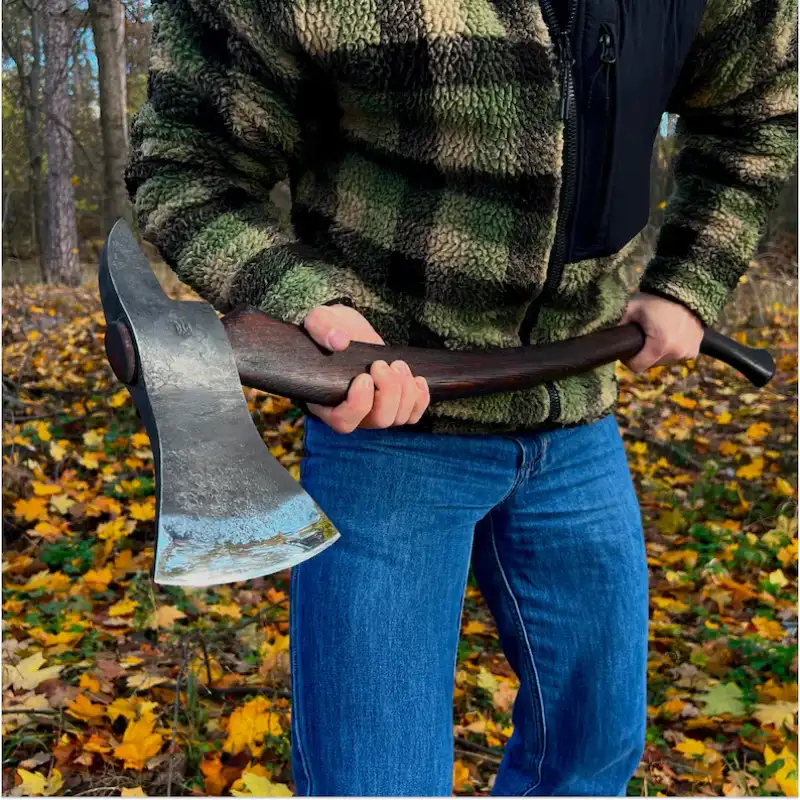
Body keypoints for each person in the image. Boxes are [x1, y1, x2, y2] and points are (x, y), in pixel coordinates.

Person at [126, 0, 797, 793]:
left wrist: (691, 281)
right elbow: (186, 164)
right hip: (389, 428)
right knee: (374, 783)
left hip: (575, 413)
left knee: (591, 755)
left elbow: (760, 107)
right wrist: (305, 304)